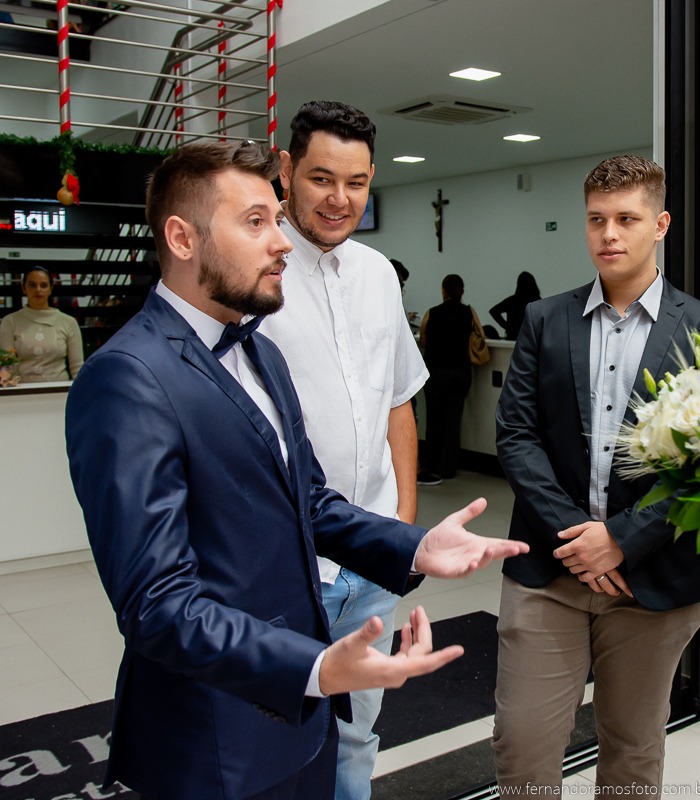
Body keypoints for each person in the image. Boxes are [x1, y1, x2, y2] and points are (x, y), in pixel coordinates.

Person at [64, 140, 527, 800]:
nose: (281, 242)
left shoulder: (260, 353)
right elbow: (157, 605)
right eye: (255, 222)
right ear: (182, 237)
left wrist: (414, 544)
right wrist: (311, 665)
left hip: (302, 718)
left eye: (275, 220)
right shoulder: (128, 379)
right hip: (217, 741)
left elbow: (311, 501)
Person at [492, 155, 700, 797]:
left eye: (627, 219)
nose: (609, 235)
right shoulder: (545, 320)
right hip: (550, 568)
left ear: (661, 224)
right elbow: (516, 436)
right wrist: (579, 534)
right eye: (596, 219)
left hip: (653, 575)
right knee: (523, 746)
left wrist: (622, 536)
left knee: (632, 750)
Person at [256, 100, 426, 800]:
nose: (338, 198)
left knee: (357, 734)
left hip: (372, 559)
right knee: (274, 731)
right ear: (288, 172)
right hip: (290, 561)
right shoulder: (253, 269)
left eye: (355, 183)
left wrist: (403, 531)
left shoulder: (379, 274)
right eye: (322, 178)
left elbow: (397, 402)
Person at [418, 274, 480, 483]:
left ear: (443, 290)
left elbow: (424, 341)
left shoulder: (431, 313)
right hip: (460, 372)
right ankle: (449, 467)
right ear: (462, 291)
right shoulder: (469, 312)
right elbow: (479, 336)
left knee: (434, 419)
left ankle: (433, 464)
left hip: (435, 372)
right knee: (454, 420)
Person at [0, 268, 83, 382]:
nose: (38, 290)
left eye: (43, 285)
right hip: (22, 393)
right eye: (32, 285)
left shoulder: (68, 322)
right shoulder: (10, 321)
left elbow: (77, 369)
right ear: (24, 289)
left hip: (59, 392)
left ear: (50, 289)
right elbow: (6, 367)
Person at [490, 271, 541, 341]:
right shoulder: (537, 301)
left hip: (512, 338)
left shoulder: (512, 300)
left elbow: (494, 311)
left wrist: (507, 326)